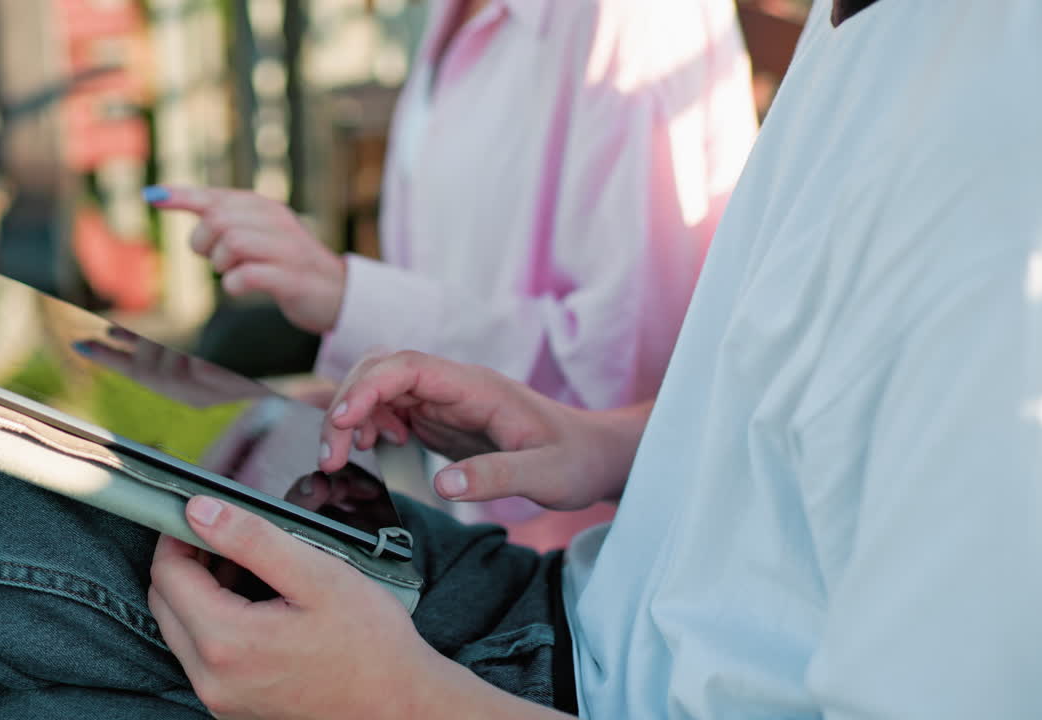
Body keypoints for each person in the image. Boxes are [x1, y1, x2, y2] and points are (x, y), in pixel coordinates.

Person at [0, 0, 1042, 717]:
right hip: (570, 612)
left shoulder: (1015, 157)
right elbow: (830, 414)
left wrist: (392, 703)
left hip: (551, 681)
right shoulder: (883, 34)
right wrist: (608, 442)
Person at [143, 0, 758, 543]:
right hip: (463, 508)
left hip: (578, 572)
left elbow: (637, 384)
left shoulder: (633, 19)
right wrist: (379, 394)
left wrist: (344, 295)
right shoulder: (451, 11)